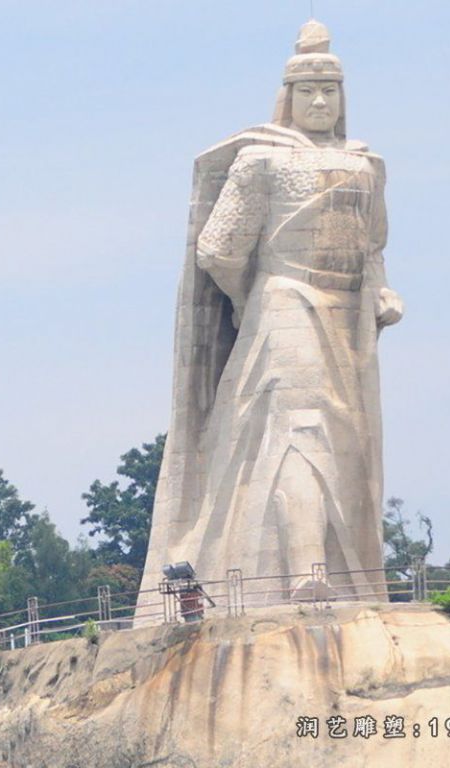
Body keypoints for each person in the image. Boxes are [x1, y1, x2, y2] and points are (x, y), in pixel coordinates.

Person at [137, 21, 404, 610]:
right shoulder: (260, 160)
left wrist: (382, 290)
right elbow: (219, 248)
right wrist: (251, 297)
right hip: (286, 302)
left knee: (346, 443)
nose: (318, 102)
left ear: (343, 97)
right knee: (298, 429)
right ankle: (307, 566)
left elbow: (373, 245)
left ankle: (346, 571)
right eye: (307, 91)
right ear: (286, 96)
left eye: (329, 91)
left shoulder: (366, 164)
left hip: (348, 315)